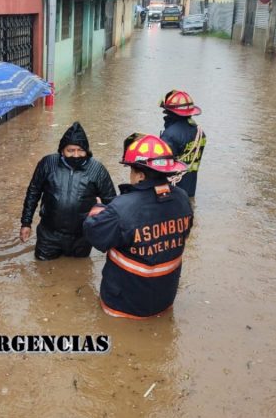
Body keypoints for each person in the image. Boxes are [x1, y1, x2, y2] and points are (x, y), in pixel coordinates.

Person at [83, 134, 194, 319]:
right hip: (164, 298)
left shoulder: (121, 208)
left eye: (131, 170)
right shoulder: (182, 198)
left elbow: (95, 234)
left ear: (140, 175)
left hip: (124, 304)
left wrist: (98, 209)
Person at [20, 122, 116, 260]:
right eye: (70, 150)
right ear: (62, 151)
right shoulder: (48, 164)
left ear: (86, 151)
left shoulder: (97, 170)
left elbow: (111, 203)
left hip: (82, 237)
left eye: (80, 150)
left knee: (80, 273)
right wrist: (26, 223)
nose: (76, 155)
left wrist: (110, 236)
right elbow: (33, 193)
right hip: (49, 235)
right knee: (42, 269)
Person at [159, 90, 207, 197]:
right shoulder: (200, 132)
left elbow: (161, 165)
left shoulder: (170, 135)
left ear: (170, 112)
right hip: (190, 188)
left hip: (172, 191)